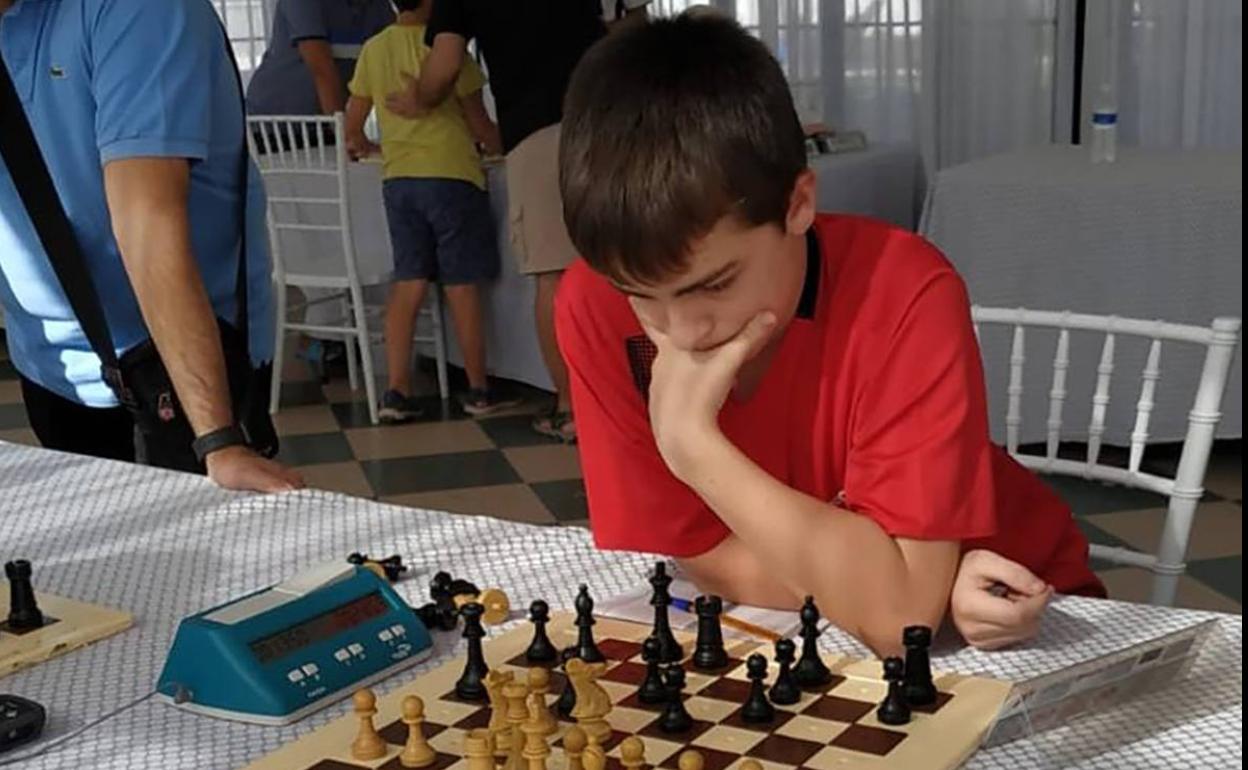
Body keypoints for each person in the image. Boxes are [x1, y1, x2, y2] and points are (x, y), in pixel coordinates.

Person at [554, 14, 1104, 657]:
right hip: (894, 611)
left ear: (798, 204)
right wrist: (894, 588)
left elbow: (901, 624)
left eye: (714, 284)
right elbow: (706, 557)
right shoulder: (593, 305)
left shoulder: (902, 288)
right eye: (641, 295)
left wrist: (691, 446)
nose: (680, 332)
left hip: (1015, 612)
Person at [0, 0, 302, 492]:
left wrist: (217, 440)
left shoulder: (139, 8)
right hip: (52, 366)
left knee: (210, 558)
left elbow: (148, 220)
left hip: (177, 372)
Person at [383, 0, 616, 442]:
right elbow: (618, 28)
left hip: (536, 129)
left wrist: (419, 97)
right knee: (620, 263)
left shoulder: (393, 41)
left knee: (555, 275)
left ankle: (572, 409)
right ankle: (632, 400)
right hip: (609, 118)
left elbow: (445, 65)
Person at [345, 0, 519, 420]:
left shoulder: (374, 48)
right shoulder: (446, 46)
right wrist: (506, 145)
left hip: (399, 181)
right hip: (452, 178)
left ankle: (396, 392)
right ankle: (478, 390)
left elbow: (351, 125)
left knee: (409, 282)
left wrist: (369, 146)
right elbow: (480, 124)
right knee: (460, 285)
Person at [246, 0, 394, 118]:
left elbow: (398, 55)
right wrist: (348, 135)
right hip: (275, 125)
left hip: (327, 119)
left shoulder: (378, 6)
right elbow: (322, 71)